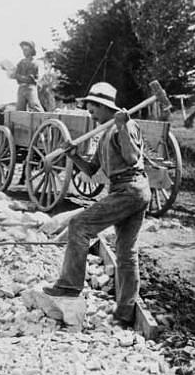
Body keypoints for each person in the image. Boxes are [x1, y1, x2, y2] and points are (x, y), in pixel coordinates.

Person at [42, 82, 150, 325]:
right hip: (128, 190)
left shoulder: (126, 125)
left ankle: (69, 286)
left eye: (93, 110)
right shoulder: (105, 133)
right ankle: (124, 313)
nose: (91, 115)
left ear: (104, 106)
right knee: (126, 253)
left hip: (131, 189)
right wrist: (73, 156)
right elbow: (91, 170)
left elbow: (132, 158)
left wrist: (122, 127)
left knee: (79, 225)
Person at [13, 40, 44, 112]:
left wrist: (18, 76)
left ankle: (44, 117)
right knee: (19, 109)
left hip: (30, 88)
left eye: (26, 50)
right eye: (23, 50)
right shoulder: (21, 62)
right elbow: (16, 76)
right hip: (21, 88)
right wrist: (12, 72)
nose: (24, 52)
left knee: (35, 105)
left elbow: (30, 79)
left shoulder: (35, 63)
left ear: (31, 50)